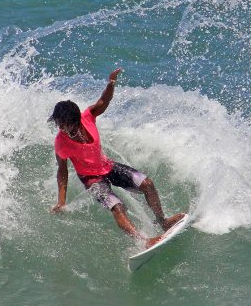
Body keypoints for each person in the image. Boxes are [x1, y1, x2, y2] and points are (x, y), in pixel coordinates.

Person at [49, 68, 185, 248]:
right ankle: (144, 241)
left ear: (76, 120)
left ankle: (163, 221)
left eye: (67, 126)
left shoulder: (88, 117)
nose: (64, 130)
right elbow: (62, 171)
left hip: (107, 166)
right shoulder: (61, 142)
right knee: (117, 207)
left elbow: (104, 100)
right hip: (92, 179)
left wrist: (111, 84)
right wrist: (61, 201)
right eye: (60, 125)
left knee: (147, 184)